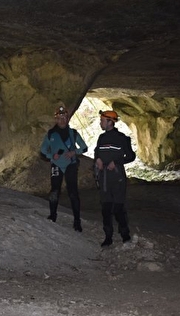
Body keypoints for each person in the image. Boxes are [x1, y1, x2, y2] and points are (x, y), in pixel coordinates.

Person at [40, 106, 88, 232]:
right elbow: (43, 151)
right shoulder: (51, 134)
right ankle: (52, 215)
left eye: (64, 118)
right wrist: (52, 156)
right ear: (56, 119)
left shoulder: (73, 133)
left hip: (70, 165)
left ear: (68, 118)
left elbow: (84, 147)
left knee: (73, 192)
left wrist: (74, 152)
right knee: (55, 191)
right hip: (57, 165)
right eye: (59, 118)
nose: (62, 120)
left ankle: (77, 221)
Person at [94, 110, 136, 247]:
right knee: (106, 208)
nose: (100, 123)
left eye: (102, 120)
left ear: (110, 122)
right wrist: (98, 160)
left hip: (117, 178)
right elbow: (97, 153)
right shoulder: (101, 138)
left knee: (118, 208)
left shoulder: (122, 138)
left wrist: (117, 162)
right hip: (104, 178)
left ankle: (125, 235)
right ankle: (108, 237)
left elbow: (131, 156)